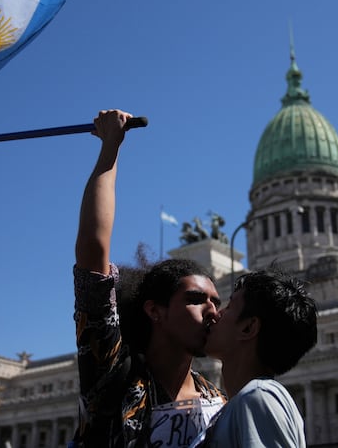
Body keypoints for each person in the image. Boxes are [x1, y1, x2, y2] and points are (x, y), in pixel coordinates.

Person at [71, 109, 226, 448]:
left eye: (217, 302)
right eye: (196, 299)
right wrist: (111, 147)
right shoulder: (113, 373)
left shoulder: (218, 401)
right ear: (155, 310)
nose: (213, 311)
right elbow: (93, 249)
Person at [191, 267, 317, 447]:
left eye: (229, 307)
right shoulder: (246, 400)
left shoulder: (258, 396)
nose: (216, 314)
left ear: (248, 328)